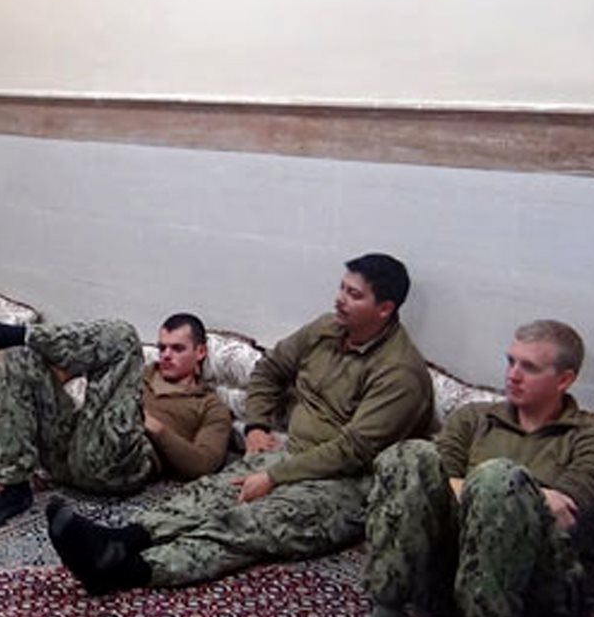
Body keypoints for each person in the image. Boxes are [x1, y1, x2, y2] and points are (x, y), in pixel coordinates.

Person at [44, 252, 434, 596]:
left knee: (250, 522)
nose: (340, 299)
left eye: (354, 295)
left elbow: (353, 451)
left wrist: (274, 478)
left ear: (384, 309)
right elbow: (269, 371)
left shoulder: (399, 373)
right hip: (292, 455)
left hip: (347, 483)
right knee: (209, 493)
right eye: (342, 288)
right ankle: (122, 540)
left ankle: (129, 571)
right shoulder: (326, 330)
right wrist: (256, 427)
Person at [324, 320, 594, 617]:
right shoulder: (475, 419)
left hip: (532, 591)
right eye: (511, 361)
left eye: (530, 367)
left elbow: (567, 513)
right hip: (449, 575)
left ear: (564, 379)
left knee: (498, 478)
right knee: (408, 457)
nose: (512, 375)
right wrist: (510, 493)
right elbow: (431, 481)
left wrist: (495, 489)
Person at [0, 293, 233, 533]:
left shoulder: (209, 406)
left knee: (124, 337)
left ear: (200, 352)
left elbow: (203, 463)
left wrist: (154, 426)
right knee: (19, 358)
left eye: (177, 349)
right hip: (70, 452)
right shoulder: (138, 373)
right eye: (162, 347)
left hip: (116, 466)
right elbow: (65, 373)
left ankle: (6, 334)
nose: (166, 355)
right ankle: (15, 489)